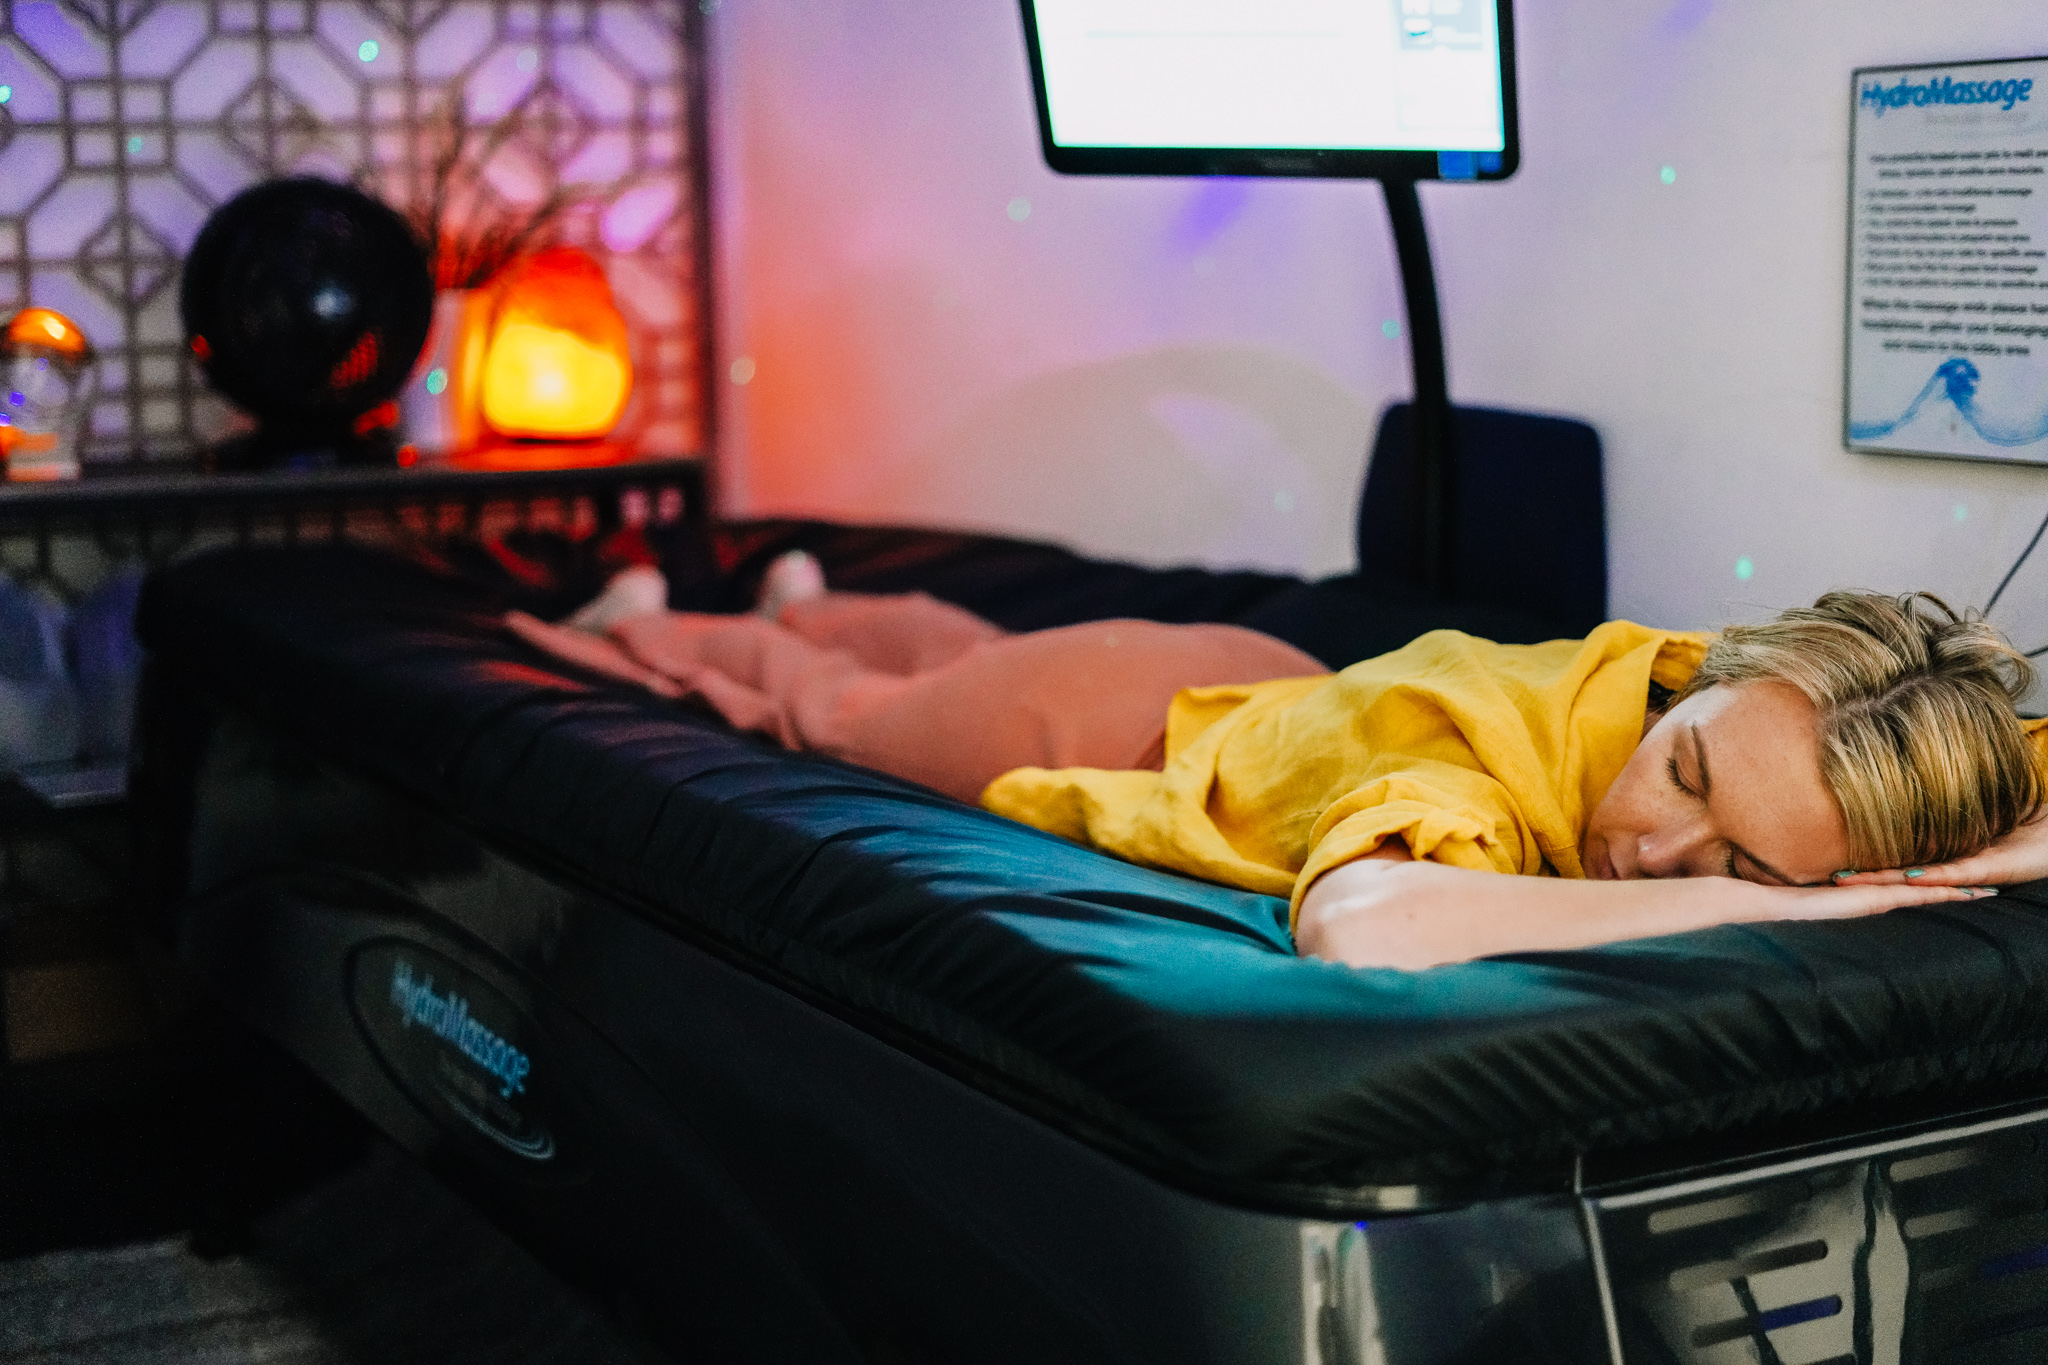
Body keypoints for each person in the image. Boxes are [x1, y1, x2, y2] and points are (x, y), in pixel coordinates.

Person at [506, 552, 2048, 971]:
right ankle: (659, 620)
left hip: (1284, 695)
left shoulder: (1741, 698)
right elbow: (1365, 927)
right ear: (1701, 689)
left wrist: (1930, 854)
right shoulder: (1472, 777)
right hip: (1114, 720)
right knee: (827, 715)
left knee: (951, 646)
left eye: (1736, 860)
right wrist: (1769, 901)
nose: (1654, 854)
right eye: (1686, 783)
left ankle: (812, 585)